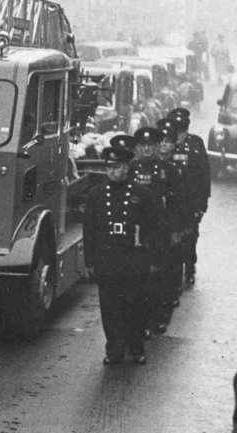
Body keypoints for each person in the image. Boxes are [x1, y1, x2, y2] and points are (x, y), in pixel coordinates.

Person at [83, 145, 164, 365]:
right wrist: (89, 261)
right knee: (110, 309)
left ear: (127, 167)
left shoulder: (142, 194)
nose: (112, 171)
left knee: (135, 307)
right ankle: (114, 350)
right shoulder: (96, 194)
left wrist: (154, 260)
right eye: (109, 167)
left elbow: (154, 228)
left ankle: (136, 347)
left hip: (134, 261)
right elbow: (89, 229)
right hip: (108, 261)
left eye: (117, 167)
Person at [129, 125, 182, 334]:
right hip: (135, 232)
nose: (147, 150)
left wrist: (176, 230)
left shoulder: (168, 171)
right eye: (143, 146)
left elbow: (178, 202)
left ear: (157, 146)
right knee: (137, 279)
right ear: (138, 148)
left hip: (160, 232)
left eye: (151, 146)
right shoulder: (130, 169)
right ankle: (139, 321)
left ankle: (158, 318)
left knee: (159, 277)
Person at [164, 107, 209, 286]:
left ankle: (189, 267)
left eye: (183, 130)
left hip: (191, 201)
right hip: (173, 201)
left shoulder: (196, 144)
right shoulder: (167, 145)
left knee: (190, 238)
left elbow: (204, 175)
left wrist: (202, 205)